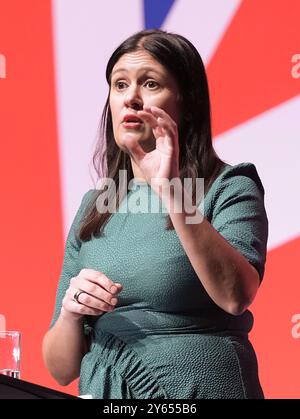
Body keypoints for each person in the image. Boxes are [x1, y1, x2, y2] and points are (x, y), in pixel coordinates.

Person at [42, 29, 268, 399]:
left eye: (149, 84)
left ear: (187, 102)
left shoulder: (229, 185)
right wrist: (71, 313)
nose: (130, 97)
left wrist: (170, 189)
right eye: (119, 85)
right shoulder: (95, 205)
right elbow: (60, 369)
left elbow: (235, 294)